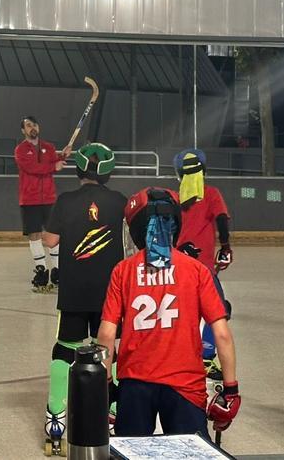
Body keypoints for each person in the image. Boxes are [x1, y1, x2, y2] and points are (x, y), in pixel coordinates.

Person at [97, 188, 240, 440]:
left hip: (136, 383)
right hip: (185, 384)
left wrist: (107, 383)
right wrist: (231, 389)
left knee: (131, 453)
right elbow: (222, 334)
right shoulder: (196, 270)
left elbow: (107, 334)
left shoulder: (123, 271)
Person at [40, 143, 126, 454]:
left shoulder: (65, 201)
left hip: (74, 293)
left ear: (78, 169)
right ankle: (114, 413)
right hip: (112, 295)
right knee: (112, 351)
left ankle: (56, 418)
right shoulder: (119, 201)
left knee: (64, 351)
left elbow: (49, 242)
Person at [172, 148, 233, 379]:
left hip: (177, 265)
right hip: (203, 268)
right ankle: (205, 358)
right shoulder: (211, 193)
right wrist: (225, 246)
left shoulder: (175, 197)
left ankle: (176, 357)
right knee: (218, 309)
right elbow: (221, 219)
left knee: (182, 311)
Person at [15, 115, 67, 292]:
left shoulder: (48, 147)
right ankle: (41, 271)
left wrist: (62, 155)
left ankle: (57, 271)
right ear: (23, 130)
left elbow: (52, 161)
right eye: (28, 126)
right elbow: (33, 168)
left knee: (54, 235)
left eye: (34, 124)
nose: (32, 128)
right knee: (35, 235)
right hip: (30, 199)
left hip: (49, 199)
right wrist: (54, 166)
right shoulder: (21, 150)